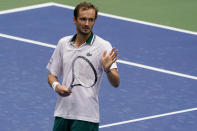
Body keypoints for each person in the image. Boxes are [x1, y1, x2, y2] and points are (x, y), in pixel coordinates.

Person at [47, 1, 120, 131]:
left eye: (91, 20)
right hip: (62, 113)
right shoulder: (63, 43)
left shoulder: (103, 46)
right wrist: (56, 86)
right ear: (75, 20)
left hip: (86, 117)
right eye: (83, 19)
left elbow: (116, 82)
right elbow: (52, 75)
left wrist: (108, 69)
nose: (87, 24)